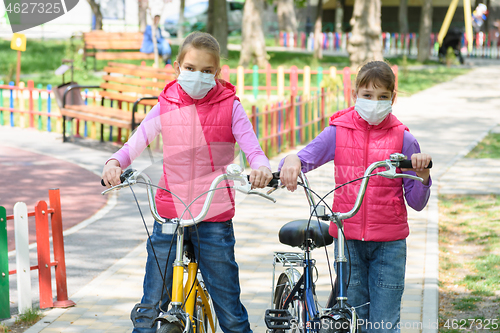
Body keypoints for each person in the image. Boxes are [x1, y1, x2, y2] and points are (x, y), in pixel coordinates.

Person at [102, 31, 273, 333]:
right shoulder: (165, 105)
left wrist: (260, 167)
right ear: (178, 66)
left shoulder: (230, 106)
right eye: (191, 68)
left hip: (213, 217)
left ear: (217, 72)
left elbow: (253, 149)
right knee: (150, 308)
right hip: (169, 212)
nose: (198, 76)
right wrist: (115, 163)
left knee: (230, 313)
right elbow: (135, 144)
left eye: (207, 71)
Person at [279, 60, 432, 332]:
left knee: (384, 324)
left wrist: (422, 175)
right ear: (355, 95)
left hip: (389, 245)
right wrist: (291, 160)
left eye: (383, 96)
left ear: (393, 98)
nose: (375, 102)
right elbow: (304, 159)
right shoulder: (339, 131)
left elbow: (418, 203)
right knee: (355, 321)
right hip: (348, 241)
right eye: (368, 95)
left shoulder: (403, 139)